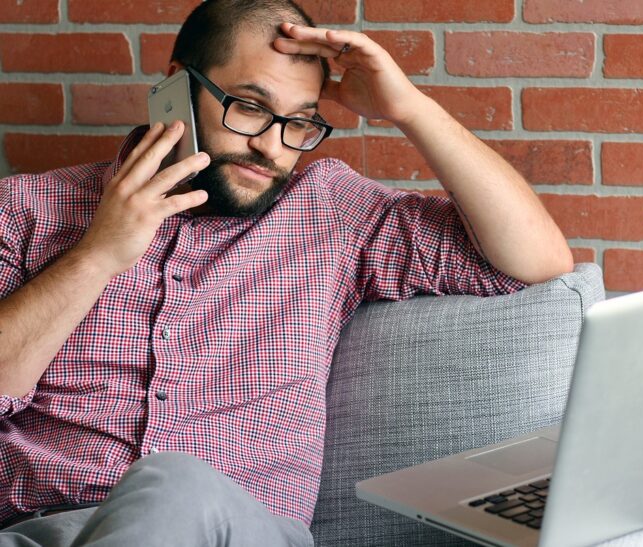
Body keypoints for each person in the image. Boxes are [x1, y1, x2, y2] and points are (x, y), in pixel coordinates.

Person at [0, 1, 573, 545]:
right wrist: (97, 255)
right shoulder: (26, 209)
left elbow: (537, 259)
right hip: (33, 530)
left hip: (235, 530)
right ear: (177, 86)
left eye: (299, 123)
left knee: (173, 485)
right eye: (249, 107)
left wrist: (410, 108)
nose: (272, 147)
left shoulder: (331, 214)